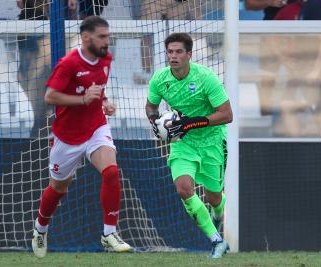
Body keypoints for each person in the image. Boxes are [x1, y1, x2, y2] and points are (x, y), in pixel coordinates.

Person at [31, 16, 132, 258]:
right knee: (58, 187)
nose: (107, 41)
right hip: (66, 136)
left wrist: (104, 102)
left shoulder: (106, 57)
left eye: (107, 36)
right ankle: (40, 228)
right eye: (102, 37)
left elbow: (97, 88)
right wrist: (83, 99)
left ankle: (109, 233)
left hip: (96, 126)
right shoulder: (69, 63)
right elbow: (50, 97)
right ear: (86, 37)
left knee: (111, 171)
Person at [145, 33, 232, 258]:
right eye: (170, 52)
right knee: (184, 189)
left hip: (212, 141)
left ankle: (218, 211)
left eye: (178, 52)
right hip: (183, 143)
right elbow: (151, 107)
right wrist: (156, 123)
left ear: (189, 55)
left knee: (214, 196)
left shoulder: (206, 78)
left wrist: (190, 123)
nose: (173, 56)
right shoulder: (160, 79)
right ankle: (217, 241)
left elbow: (227, 114)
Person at [273, 0, 321, 137]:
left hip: (317, 69)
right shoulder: (304, 7)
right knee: (287, 105)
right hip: (304, 68)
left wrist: (316, 70)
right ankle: (298, 145)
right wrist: (286, 59)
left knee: (320, 112)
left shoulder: (315, 5)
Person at [133, 0, 205, 85]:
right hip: (153, 2)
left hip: (180, 3)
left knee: (179, 36)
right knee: (147, 32)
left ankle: (180, 74)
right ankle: (147, 72)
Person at [16, 0, 52, 137]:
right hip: (33, 74)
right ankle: (38, 130)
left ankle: (39, 129)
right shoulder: (32, 19)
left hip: (32, 74)